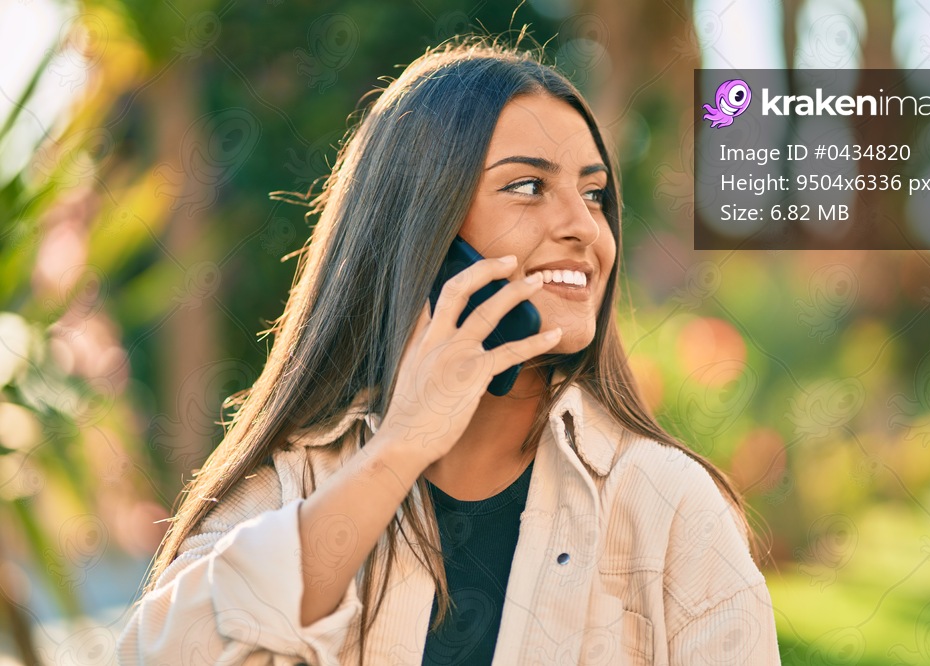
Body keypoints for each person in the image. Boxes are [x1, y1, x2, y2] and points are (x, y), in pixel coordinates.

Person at [116, 37, 781, 665]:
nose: (584, 227)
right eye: (528, 186)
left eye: (594, 193)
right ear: (427, 231)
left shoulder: (668, 504)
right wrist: (402, 447)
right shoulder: (298, 486)